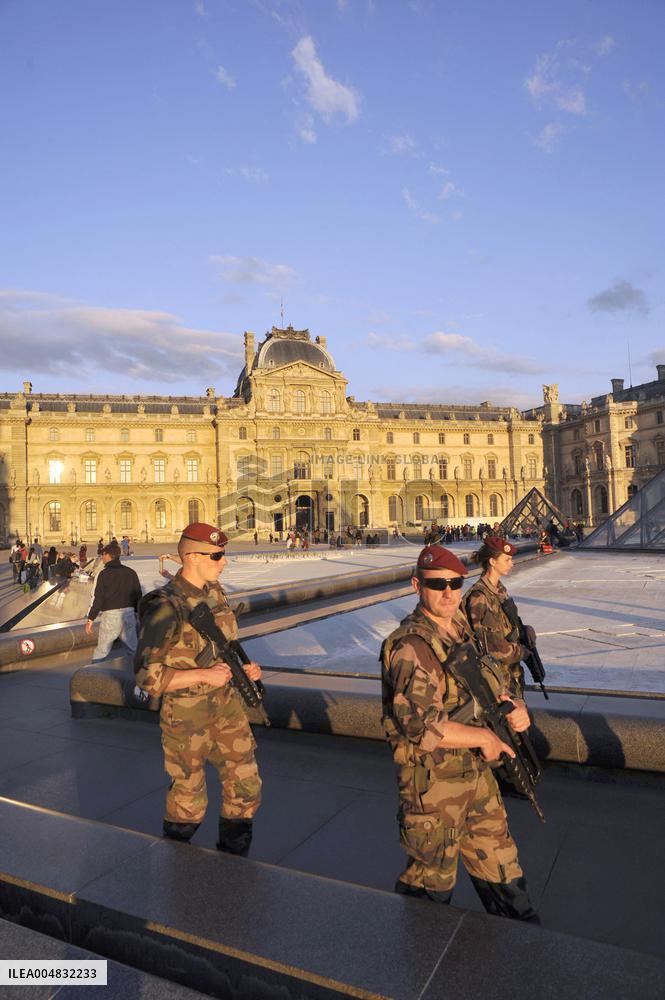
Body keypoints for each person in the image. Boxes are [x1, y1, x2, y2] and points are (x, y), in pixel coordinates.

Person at [380, 543, 537, 920]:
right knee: (429, 891)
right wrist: (485, 738)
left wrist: (514, 705)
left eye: (455, 583)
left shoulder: (460, 629)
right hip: (434, 791)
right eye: (438, 584)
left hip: (478, 781)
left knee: (506, 876)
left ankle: (523, 954)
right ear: (417, 585)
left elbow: (491, 681)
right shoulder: (410, 647)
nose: (449, 592)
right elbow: (423, 728)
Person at [134, 522, 262, 854]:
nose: (224, 561)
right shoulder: (165, 606)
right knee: (189, 798)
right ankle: (178, 866)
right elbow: (147, 677)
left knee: (246, 786)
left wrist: (244, 667)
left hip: (226, 705)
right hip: (186, 715)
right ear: (191, 557)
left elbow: (227, 645)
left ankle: (233, 859)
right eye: (217, 555)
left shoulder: (215, 593)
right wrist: (203, 676)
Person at [463, 536, 535, 699]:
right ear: (493, 562)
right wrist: (523, 652)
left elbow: (506, 625)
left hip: (510, 675)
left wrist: (524, 630)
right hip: (495, 684)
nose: (512, 563)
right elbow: (492, 649)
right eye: (507, 559)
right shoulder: (479, 598)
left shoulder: (499, 590)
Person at [85, 541, 142, 661]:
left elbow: (97, 597)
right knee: (133, 649)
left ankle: (92, 675)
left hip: (111, 615)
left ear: (106, 555)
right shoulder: (131, 572)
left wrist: (91, 618)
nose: (101, 558)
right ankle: (138, 674)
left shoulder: (103, 574)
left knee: (102, 651)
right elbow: (137, 594)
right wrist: (137, 613)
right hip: (129, 613)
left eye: (102, 555)